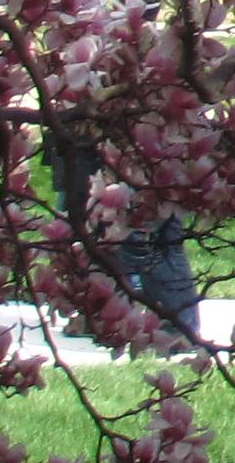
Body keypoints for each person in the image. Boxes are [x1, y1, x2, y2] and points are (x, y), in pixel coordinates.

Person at [44, 121, 205, 351]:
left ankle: (178, 326)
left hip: (133, 144)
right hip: (86, 144)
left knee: (151, 238)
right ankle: (103, 315)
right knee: (98, 235)